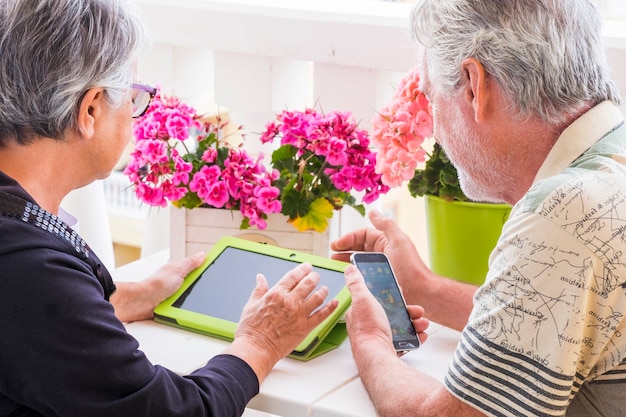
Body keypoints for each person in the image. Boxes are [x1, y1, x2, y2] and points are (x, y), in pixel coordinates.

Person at [0, 1, 338, 416]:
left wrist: (119, 299)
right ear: (89, 110)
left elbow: (33, 330)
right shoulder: (32, 271)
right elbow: (177, 411)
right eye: (135, 98)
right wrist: (260, 342)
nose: (136, 115)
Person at [332, 1, 626, 416]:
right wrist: (422, 289)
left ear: (473, 85)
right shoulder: (610, 164)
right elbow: (559, 325)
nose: (435, 126)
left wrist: (369, 340)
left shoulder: (565, 214)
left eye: (432, 96)